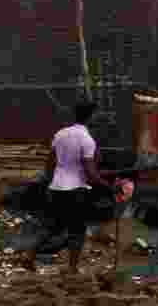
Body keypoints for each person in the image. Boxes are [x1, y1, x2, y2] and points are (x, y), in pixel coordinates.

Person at [25, 100, 114, 273]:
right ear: (91, 117)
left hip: (57, 188)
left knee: (54, 226)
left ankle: (29, 255)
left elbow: (50, 163)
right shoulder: (87, 140)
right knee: (77, 230)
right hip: (76, 190)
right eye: (96, 115)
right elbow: (90, 172)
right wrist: (107, 185)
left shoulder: (60, 134)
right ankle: (72, 268)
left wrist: (50, 182)